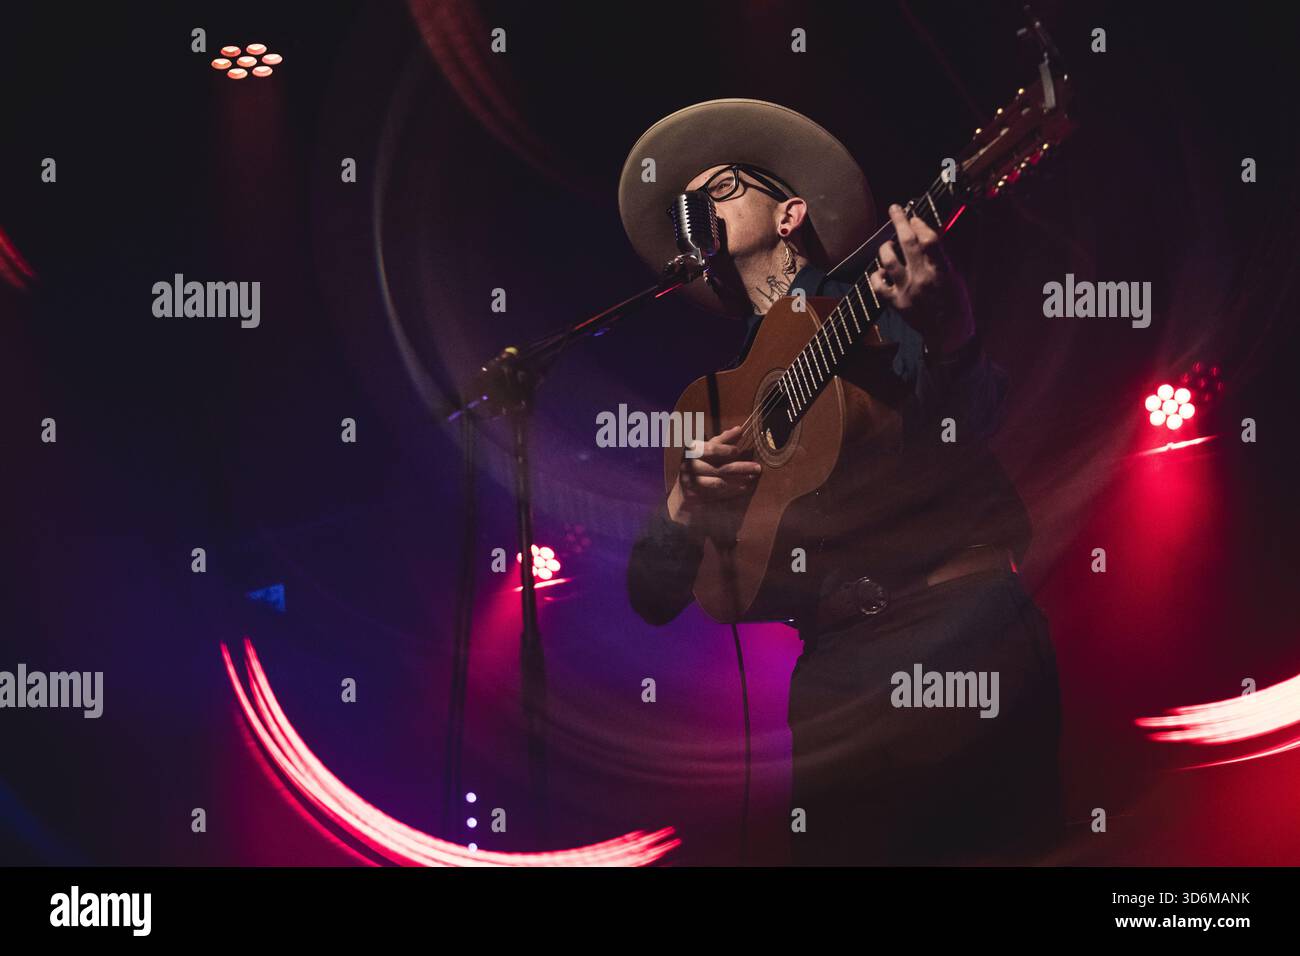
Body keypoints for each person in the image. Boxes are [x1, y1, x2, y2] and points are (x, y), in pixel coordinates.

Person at [618, 99, 1064, 865]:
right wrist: (683, 508)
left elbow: (974, 423)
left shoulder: (866, 300)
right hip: (831, 677)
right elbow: (651, 599)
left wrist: (951, 334)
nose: (694, 212)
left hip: (954, 630)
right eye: (684, 207)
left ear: (790, 212)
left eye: (716, 189)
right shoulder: (717, 399)